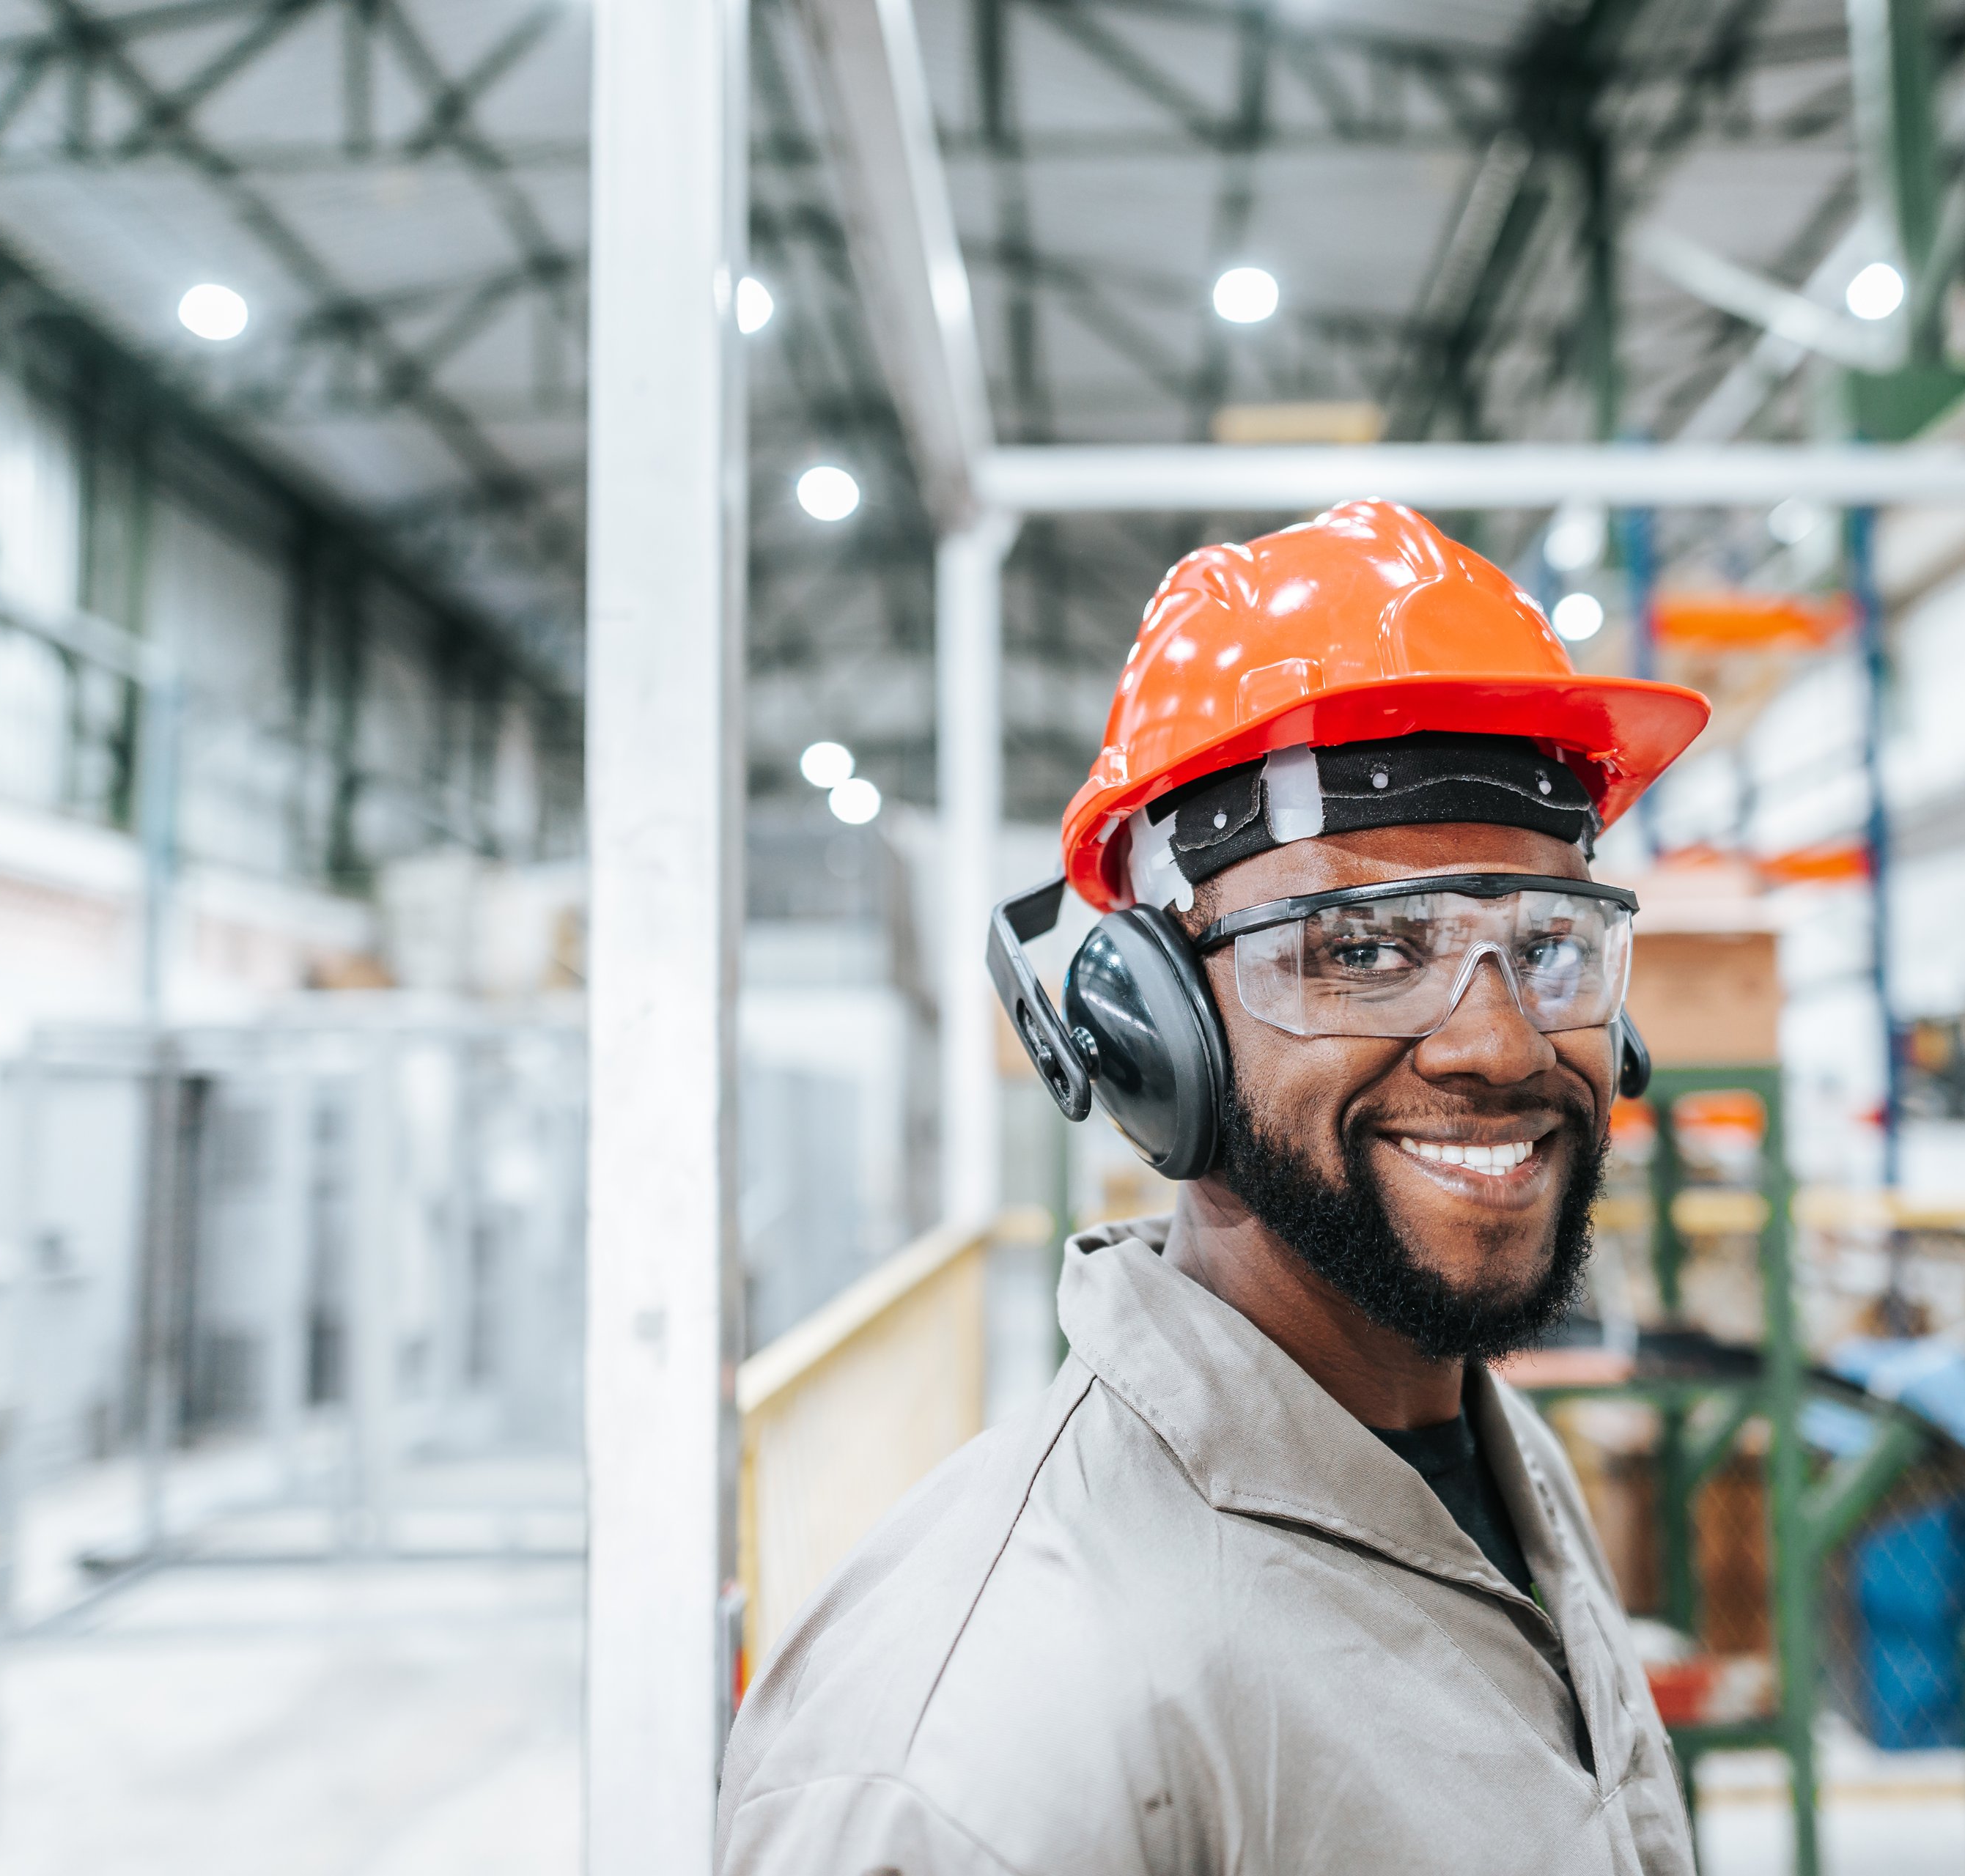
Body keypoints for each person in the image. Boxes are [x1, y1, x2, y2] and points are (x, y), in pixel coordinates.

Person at [718, 500, 1712, 1875]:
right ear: (1149, 1034)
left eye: (1549, 944)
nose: (1499, 1045)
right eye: (1360, 949)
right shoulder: (984, 1749)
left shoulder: (1493, 1462)